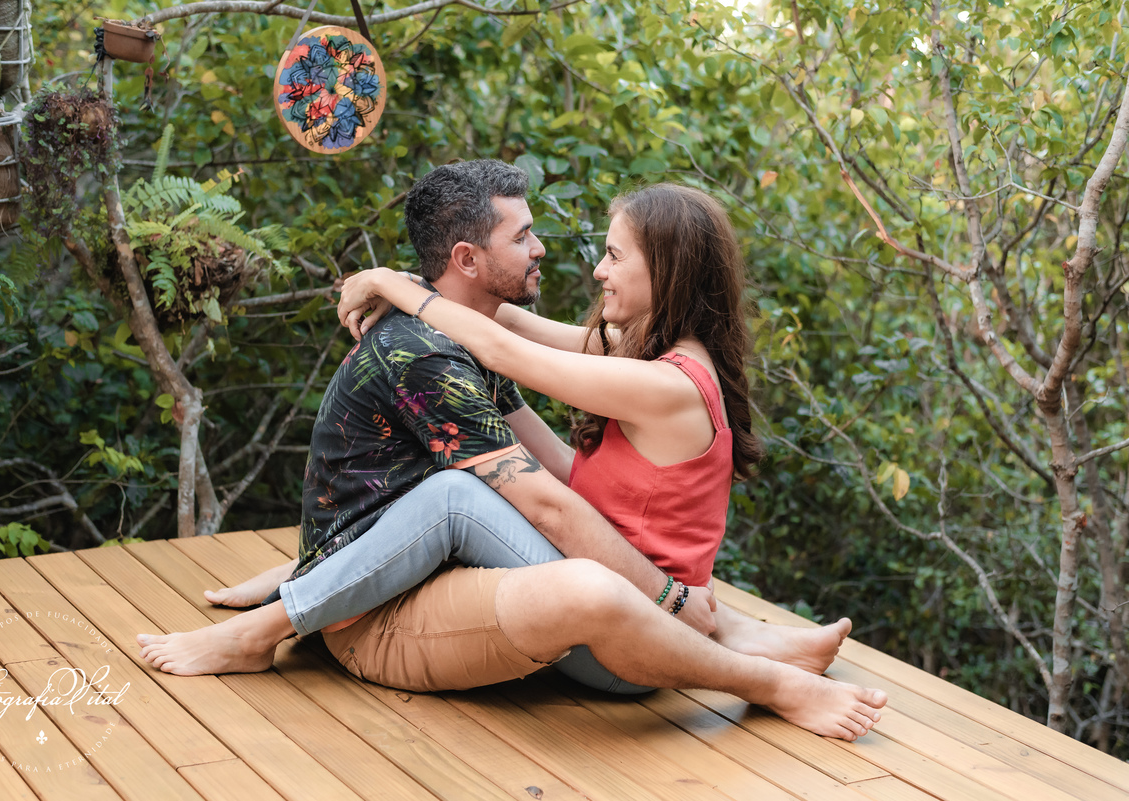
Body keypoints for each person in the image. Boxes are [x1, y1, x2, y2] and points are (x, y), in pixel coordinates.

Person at [138, 161, 886, 741]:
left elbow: (501, 345)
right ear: (468, 257)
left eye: (613, 255)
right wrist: (407, 287)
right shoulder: (648, 350)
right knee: (478, 497)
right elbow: (518, 349)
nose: (585, 266)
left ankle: (750, 662)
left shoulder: (661, 379)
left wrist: (390, 284)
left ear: (667, 271)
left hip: (629, 619)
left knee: (464, 497)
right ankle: (743, 635)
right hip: (619, 588)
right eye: (522, 235)